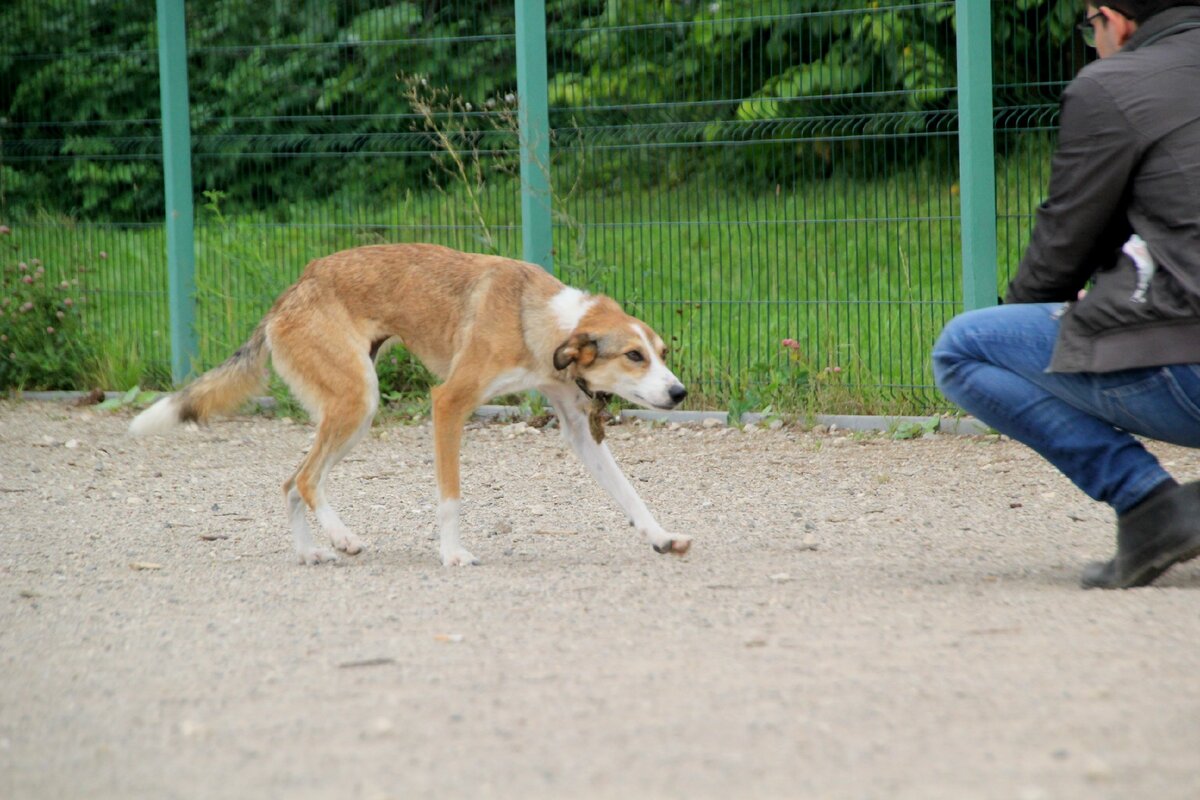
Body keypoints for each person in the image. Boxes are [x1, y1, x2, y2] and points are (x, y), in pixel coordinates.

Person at [932, 0, 1200, 589]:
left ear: (1114, 18)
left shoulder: (1117, 85)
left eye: (1089, 28)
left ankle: (1150, 503)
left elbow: (1065, 246)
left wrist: (1028, 315)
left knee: (965, 349)